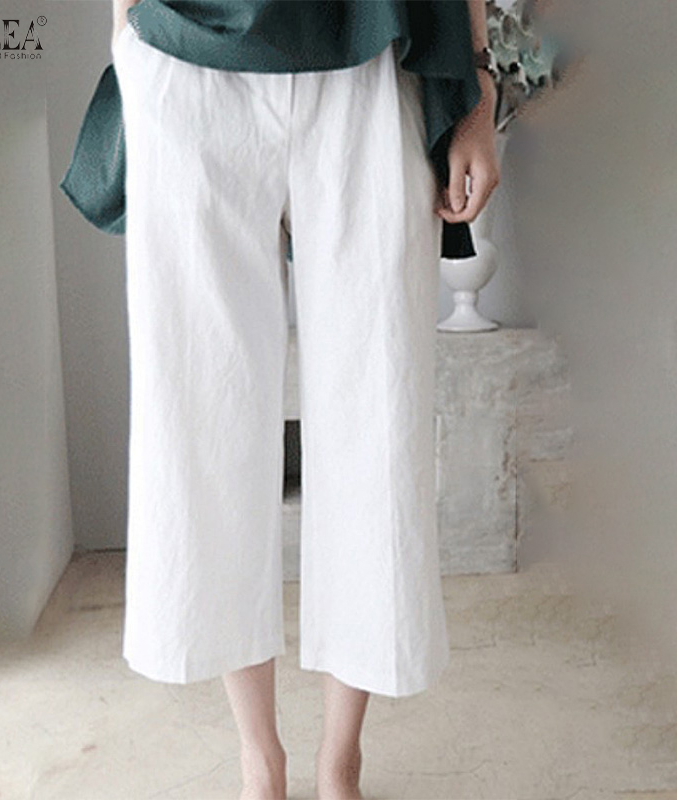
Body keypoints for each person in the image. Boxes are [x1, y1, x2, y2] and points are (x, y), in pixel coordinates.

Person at [109, 2, 499, 798]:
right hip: (186, 56)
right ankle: (259, 760)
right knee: (201, 410)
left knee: (379, 404)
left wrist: (478, 91)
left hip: (368, 54)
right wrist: (123, 41)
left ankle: (340, 760)